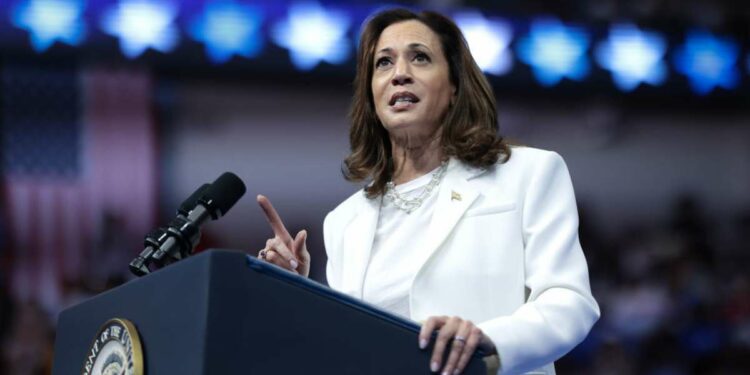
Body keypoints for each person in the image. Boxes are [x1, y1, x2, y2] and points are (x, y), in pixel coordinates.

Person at [256, 8, 599, 375]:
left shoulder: (529, 174)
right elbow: (346, 350)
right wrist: (297, 294)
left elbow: (570, 302)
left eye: (420, 57)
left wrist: (487, 341)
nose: (400, 74)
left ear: (454, 87)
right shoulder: (344, 222)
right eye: (383, 63)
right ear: (371, 94)